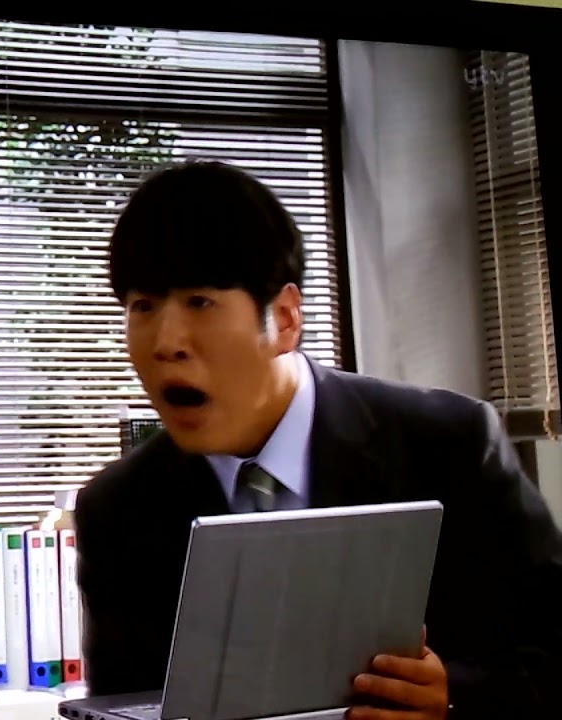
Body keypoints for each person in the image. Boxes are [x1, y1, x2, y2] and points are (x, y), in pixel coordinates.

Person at [74, 159, 562, 719]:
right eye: (143, 306)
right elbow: (119, 703)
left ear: (284, 318)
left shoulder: (448, 443)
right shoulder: (117, 509)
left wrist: (452, 698)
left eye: (199, 301)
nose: (166, 342)